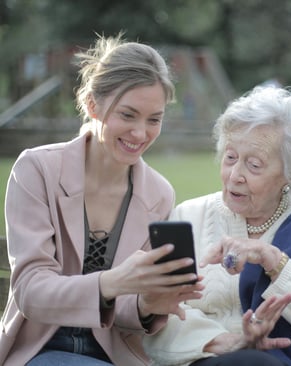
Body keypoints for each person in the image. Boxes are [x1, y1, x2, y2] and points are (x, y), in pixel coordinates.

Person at [0, 33, 205, 366]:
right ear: (92, 104)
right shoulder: (36, 169)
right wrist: (113, 281)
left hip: (115, 355)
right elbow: (30, 291)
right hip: (38, 350)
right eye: (127, 115)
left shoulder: (159, 193)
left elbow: (126, 312)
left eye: (154, 119)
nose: (140, 134)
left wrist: (147, 303)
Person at [143, 86, 291, 366]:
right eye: (230, 157)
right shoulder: (189, 216)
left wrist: (273, 260)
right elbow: (158, 312)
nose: (235, 175)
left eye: (253, 165)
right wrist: (226, 342)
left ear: (290, 173)